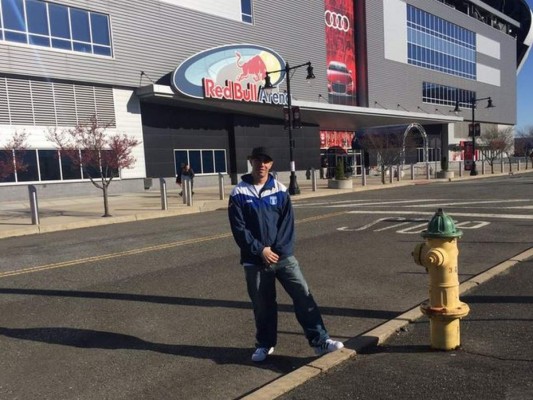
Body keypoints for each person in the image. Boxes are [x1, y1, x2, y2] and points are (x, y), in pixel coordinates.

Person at [228, 146, 344, 362]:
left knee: (303, 295)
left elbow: (287, 225)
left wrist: (277, 251)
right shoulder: (239, 192)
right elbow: (239, 229)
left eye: (266, 161)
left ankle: (320, 341)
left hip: (283, 258)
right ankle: (265, 344)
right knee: (262, 305)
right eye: (257, 160)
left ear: (271, 164)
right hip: (255, 260)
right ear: (250, 162)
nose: (261, 164)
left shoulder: (280, 190)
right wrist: (260, 250)